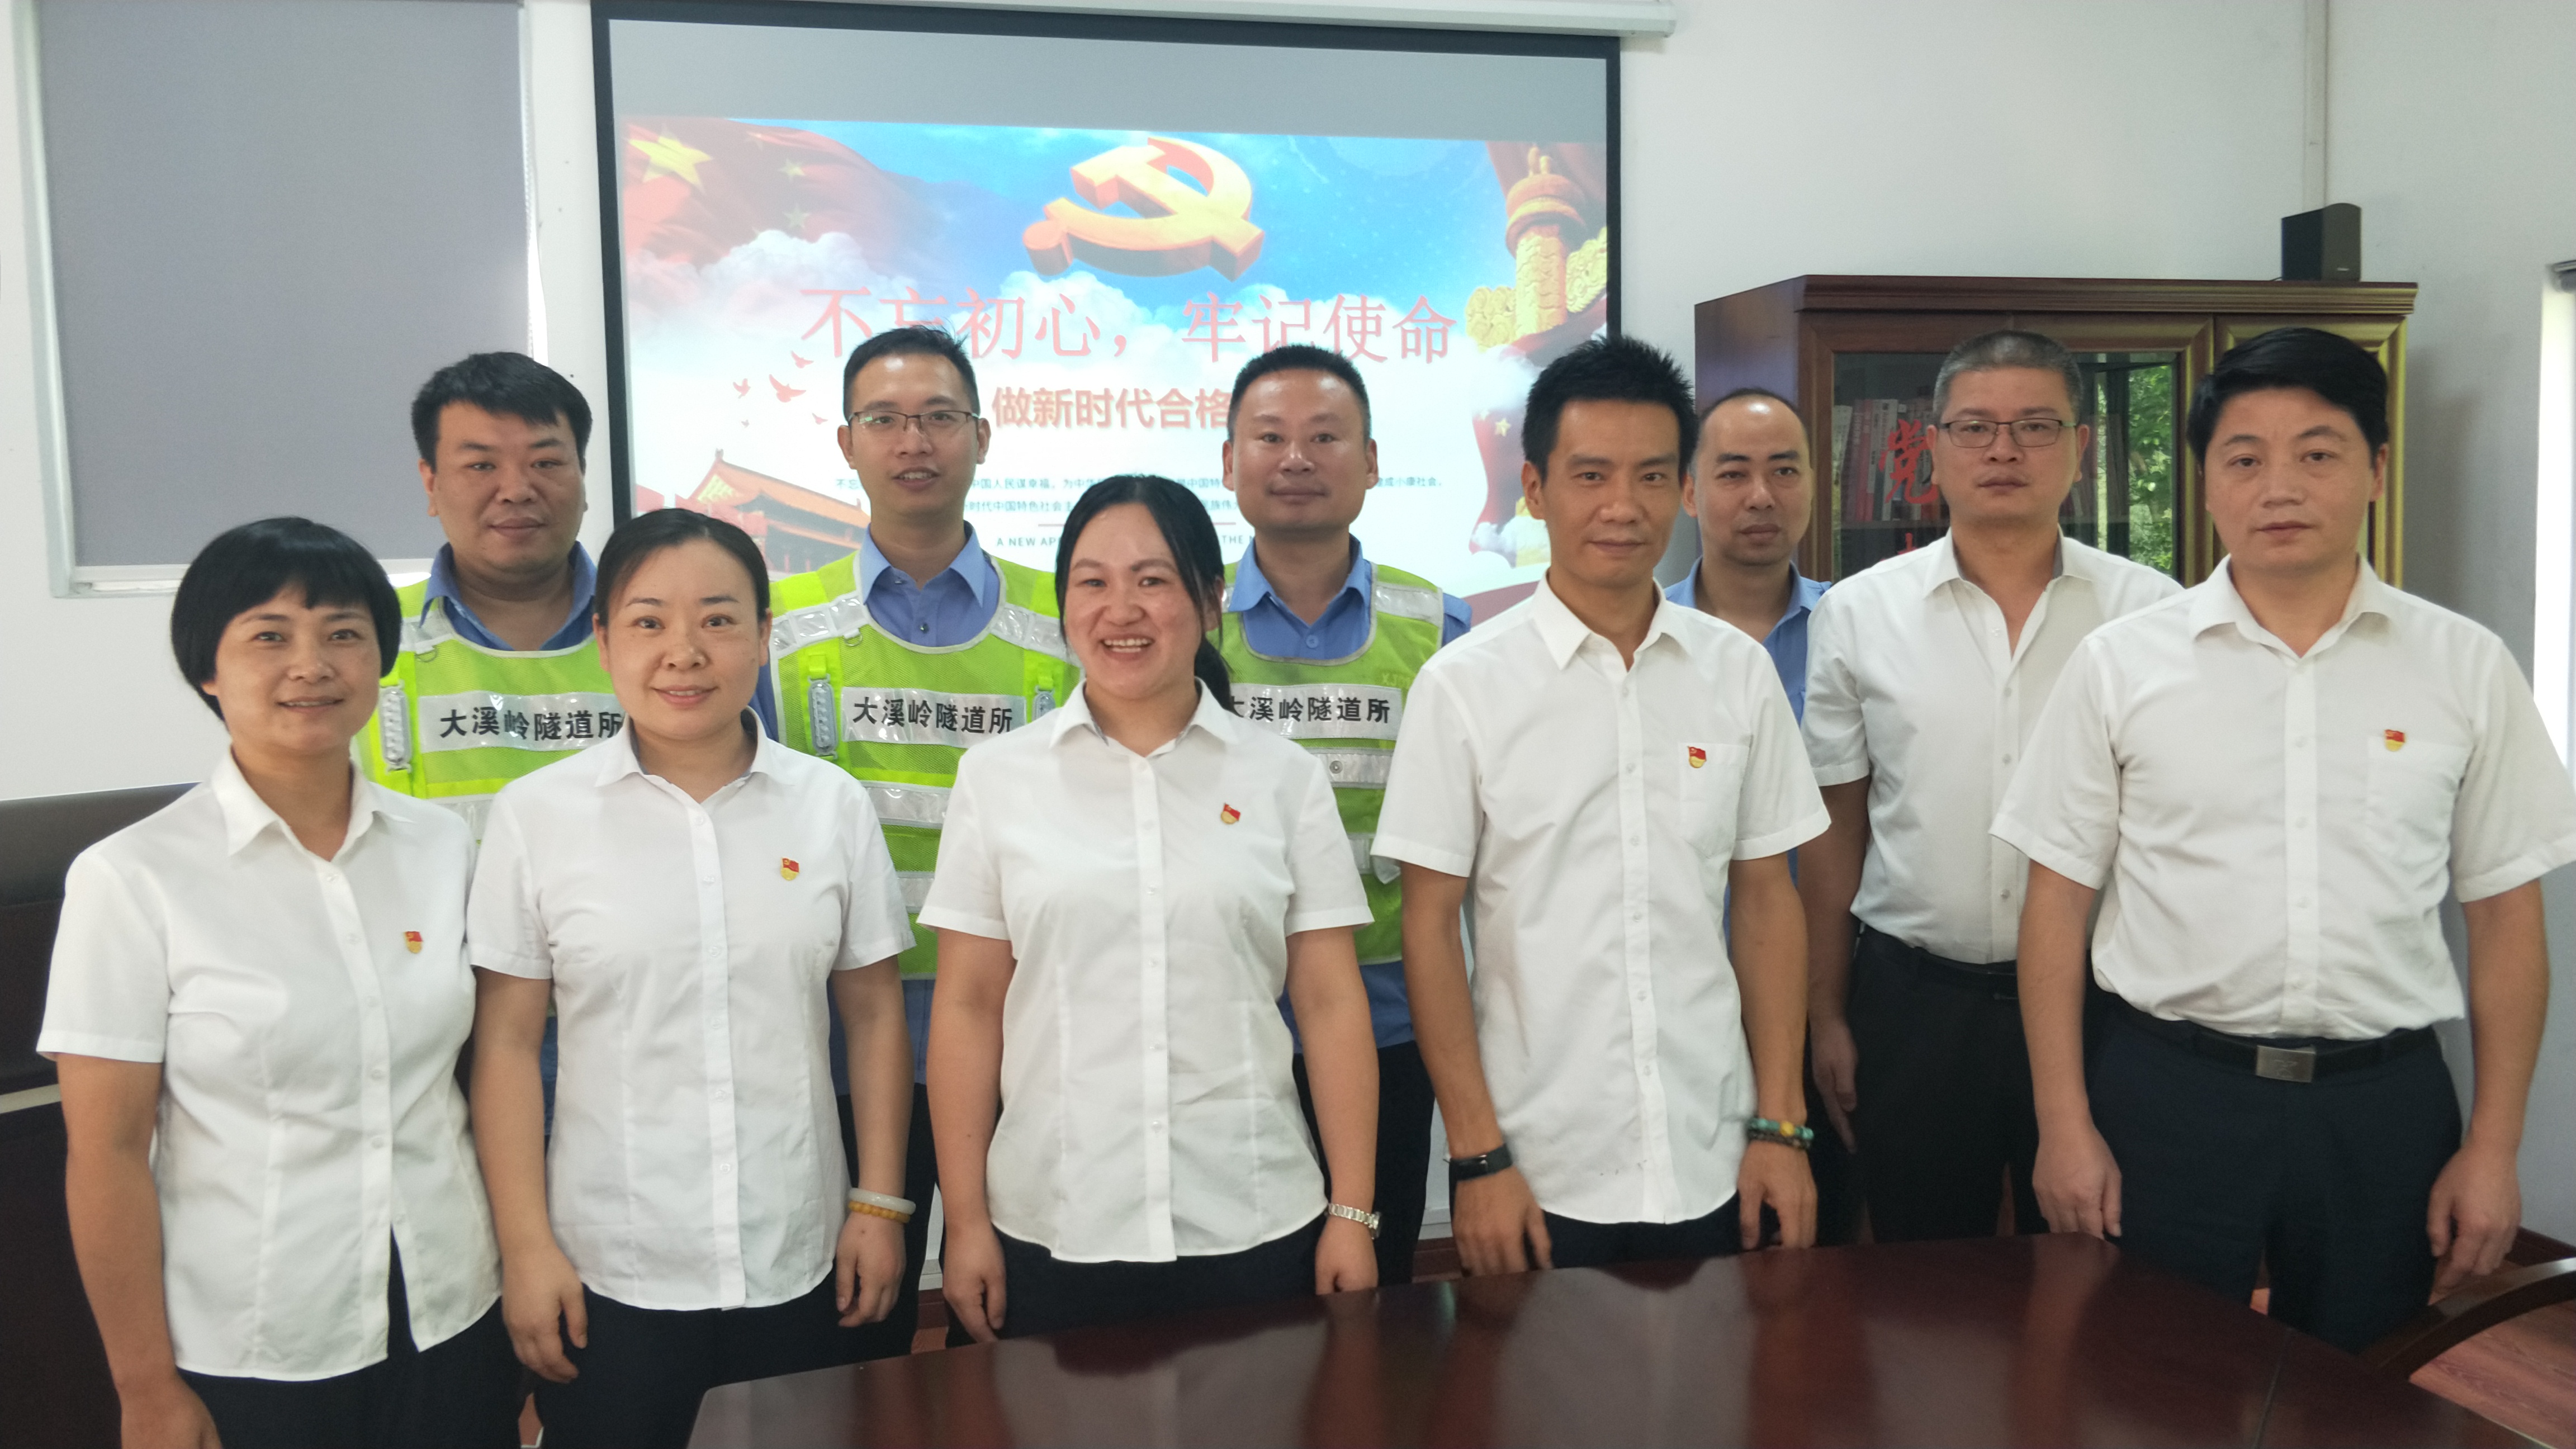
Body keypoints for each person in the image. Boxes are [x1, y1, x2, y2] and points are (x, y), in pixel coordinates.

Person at [2000, 327, 2576, 1353]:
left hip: (2384, 1107)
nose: (2281, 487)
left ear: (2376, 470)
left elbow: (2505, 920)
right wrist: (2064, 1122)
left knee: (2362, 1388)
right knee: (2151, 1382)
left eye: (2318, 453)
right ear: (2207, 482)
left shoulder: (2465, 667)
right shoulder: (2121, 666)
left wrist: (2495, 1146)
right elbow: (2056, 904)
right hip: (2169, 1093)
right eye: (2245, 457)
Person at [44, 517, 519, 1449]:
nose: (312, 665)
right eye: (269, 636)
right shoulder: (132, 878)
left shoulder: (440, 848)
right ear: (208, 669)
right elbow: (106, 1155)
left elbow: (473, 1079)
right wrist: (145, 1386)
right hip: (259, 1340)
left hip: (453, 1310)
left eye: (344, 633)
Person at [1377, 337, 1827, 1275]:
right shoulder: (1463, 686)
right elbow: (1429, 927)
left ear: (1684, 490)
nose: (1623, 507)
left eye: (1652, 476)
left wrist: (1781, 1124)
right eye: (1591, 476)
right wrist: (1477, 1155)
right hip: (1539, 1163)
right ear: (1535, 489)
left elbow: (1766, 899)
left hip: (1714, 1147)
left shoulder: (1736, 673)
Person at [468, 510, 916, 1449]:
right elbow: (505, 1045)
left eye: (718, 619)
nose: (685, 651)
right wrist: (526, 1247)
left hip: (795, 1251)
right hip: (612, 1262)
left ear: (763, 636)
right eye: (649, 622)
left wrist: (879, 1204)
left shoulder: (829, 807)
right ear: (603, 642)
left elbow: (875, 1014)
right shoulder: (536, 817)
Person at [923, 475, 1382, 1340]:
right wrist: (968, 1221)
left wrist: (1353, 1213)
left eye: (1152, 580)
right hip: (1053, 1222)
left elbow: (1329, 1003)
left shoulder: (1283, 779)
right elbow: (969, 1007)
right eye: (1092, 582)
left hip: (1252, 1215)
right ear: (1064, 606)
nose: (1120, 609)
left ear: (1210, 602)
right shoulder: (997, 779)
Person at [1798, 330, 2180, 1243]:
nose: (2003, 450)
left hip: (2105, 1008)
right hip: (1914, 1004)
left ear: (2081, 449)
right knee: (1925, 1280)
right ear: (1932, 448)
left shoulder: (2153, 616)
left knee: (2101, 1269)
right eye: (1974, 428)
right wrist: (1827, 1011)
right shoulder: (1860, 613)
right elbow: (1837, 830)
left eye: (2035, 426)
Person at [767, 325, 1082, 1351]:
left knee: (1029, 1332)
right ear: (847, 443)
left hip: (1028, 1035)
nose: (915, 441)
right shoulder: (775, 627)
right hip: (845, 1042)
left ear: (982, 437)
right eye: (886, 419)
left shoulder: (1070, 616)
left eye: (941, 417)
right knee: (856, 1336)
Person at [1215, 343, 1471, 1289]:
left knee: (1374, 1286)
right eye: (1269, 437)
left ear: (1370, 463)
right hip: (1222, 1022)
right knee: (1236, 1298)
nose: (1296, 459)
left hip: (1390, 1019)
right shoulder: (1181, 623)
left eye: (1325, 437)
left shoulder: (1439, 628)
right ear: (1229, 461)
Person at [1668, 385, 1859, 1245]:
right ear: (1688, 490)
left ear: (1815, 485)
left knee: (1821, 1259)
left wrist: (1830, 1011)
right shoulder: (1644, 637)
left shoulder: (1859, 628)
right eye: (1733, 473)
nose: (1760, 496)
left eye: (1784, 471)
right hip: (1683, 1001)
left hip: (1833, 996)